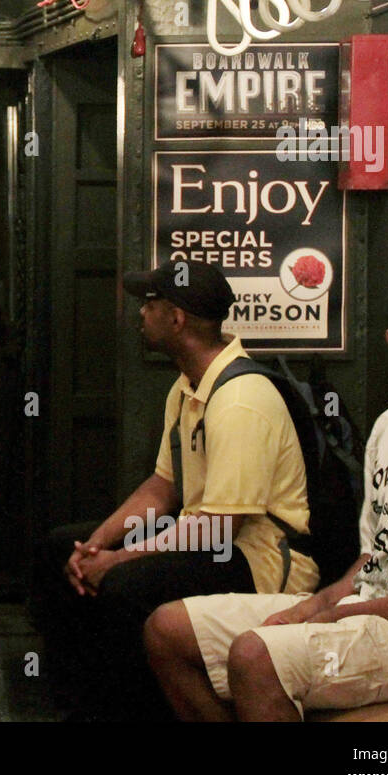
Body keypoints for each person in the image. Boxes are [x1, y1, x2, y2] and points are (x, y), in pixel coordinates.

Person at [144, 272, 388, 720]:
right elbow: (375, 556)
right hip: (372, 609)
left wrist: (339, 617)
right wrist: (318, 604)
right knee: (167, 630)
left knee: (257, 655)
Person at [29, 260, 316, 721]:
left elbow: (221, 528)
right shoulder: (187, 386)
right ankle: (82, 707)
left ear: (176, 318)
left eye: (149, 305)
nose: (141, 314)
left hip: (257, 558)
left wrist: (120, 560)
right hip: (206, 535)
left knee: (126, 588)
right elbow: (162, 489)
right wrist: (98, 544)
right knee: (59, 550)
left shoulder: (242, 397)